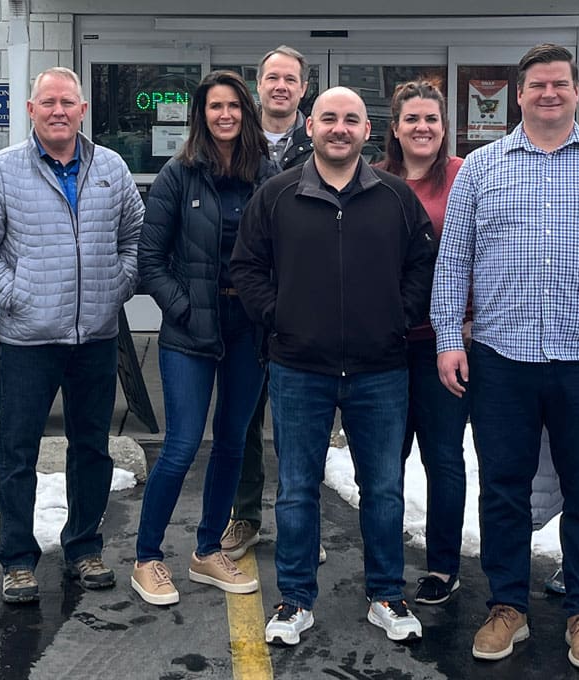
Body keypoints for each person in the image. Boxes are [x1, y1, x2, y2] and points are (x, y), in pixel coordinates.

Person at [431, 44, 579, 670]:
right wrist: (449, 338)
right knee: (504, 488)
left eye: (559, 83)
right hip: (502, 357)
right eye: (537, 85)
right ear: (519, 93)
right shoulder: (482, 167)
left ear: (576, 91)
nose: (549, 94)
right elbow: (454, 261)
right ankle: (507, 606)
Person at [232, 86, 436, 646]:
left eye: (351, 119)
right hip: (300, 367)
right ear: (311, 126)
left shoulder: (395, 197)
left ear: (367, 131)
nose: (339, 128)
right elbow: (246, 269)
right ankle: (295, 600)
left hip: (381, 368)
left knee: (385, 488)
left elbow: (424, 265)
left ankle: (387, 595)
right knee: (297, 488)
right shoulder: (276, 196)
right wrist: (282, 317)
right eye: (328, 119)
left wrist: (398, 317)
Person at [0, 67, 144, 604]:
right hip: (27, 342)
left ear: (83, 111)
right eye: (48, 102)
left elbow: (136, 234)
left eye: (68, 102)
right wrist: (17, 295)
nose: (58, 110)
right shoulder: (0, 171)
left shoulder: (110, 167)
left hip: (96, 338)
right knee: (17, 453)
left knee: (92, 449)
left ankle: (84, 547)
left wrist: (117, 285)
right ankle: (17, 560)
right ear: (31, 110)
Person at [131, 70, 278, 606]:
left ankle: (207, 550)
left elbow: (282, 251)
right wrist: (183, 308)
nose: (225, 115)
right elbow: (150, 260)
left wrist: (271, 311)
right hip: (191, 330)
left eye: (234, 106)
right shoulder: (179, 173)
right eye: (215, 106)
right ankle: (147, 557)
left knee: (234, 443)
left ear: (247, 112)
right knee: (181, 445)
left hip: (247, 330)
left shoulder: (266, 172)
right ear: (202, 113)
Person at [373, 80, 468, 606]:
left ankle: (442, 566)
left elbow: (482, 250)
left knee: (443, 457)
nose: (423, 127)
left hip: (443, 345)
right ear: (395, 127)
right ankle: (382, 559)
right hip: (384, 345)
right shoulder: (375, 180)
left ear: (444, 126)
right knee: (385, 461)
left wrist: (470, 319)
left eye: (431, 118)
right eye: (412, 119)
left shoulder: (465, 176)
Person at [221, 45, 316, 562]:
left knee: (301, 426)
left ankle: (302, 527)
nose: (280, 86)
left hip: (306, 305)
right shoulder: (234, 139)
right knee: (243, 420)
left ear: (303, 88)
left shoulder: (321, 137)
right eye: (271, 77)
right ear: (259, 85)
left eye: (290, 79)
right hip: (246, 302)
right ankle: (246, 517)